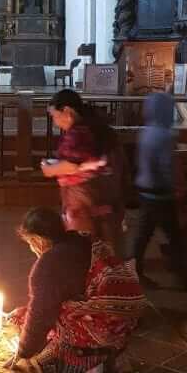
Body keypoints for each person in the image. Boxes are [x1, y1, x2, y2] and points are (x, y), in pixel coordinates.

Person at [5, 208, 145, 373]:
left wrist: (23, 352)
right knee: (33, 316)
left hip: (99, 328)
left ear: (38, 240)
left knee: (44, 366)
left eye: (29, 243)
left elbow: (41, 315)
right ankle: (117, 364)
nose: (31, 249)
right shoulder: (82, 240)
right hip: (124, 322)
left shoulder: (49, 264)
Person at [41, 89, 128, 254]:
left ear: (67, 111)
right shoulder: (98, 129)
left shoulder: (79, 133)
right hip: (107, 201)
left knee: (86, 250)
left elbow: (73, 165)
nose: (55, 122)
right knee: (109, 251)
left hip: (85, 204)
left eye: (54, 116)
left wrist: (49, 169)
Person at [133, 91, 187, 288]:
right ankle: (181, 273)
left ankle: (134, 271)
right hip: (161, 192)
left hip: (145, 189)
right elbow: (167, 165)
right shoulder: (165, 135)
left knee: (143, 234)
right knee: (174, 234)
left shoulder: (146, 131)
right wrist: (175, 187)